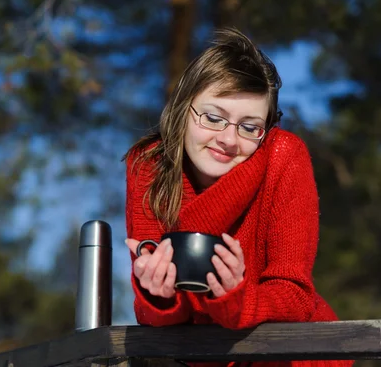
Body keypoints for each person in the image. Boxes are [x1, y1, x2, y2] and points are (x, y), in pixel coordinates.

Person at [123, 28, 352, 367]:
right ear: (183, 109)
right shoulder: (149, 167)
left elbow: (295, 296)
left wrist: (237, 298)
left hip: (288, 358)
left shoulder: (283, 157)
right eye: (213, 118)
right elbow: (154, 317)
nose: (228, 139)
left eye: (249, 127)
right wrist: (157, 294)